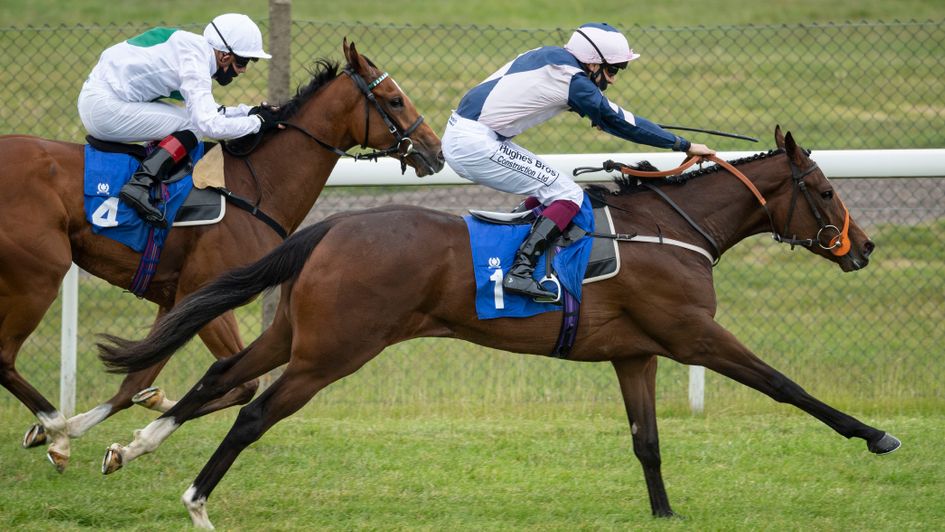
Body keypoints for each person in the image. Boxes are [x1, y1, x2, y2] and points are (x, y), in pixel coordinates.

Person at [442, 22, 716, 300]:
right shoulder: (572, 80)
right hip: (475, 144)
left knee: (553, 189)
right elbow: (619, 120)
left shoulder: (553, 57)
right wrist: (683, 145)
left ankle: (517, 240)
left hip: (472, 135)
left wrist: (598, 114)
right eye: (613, 70)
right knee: (568, 194)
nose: (613, 80)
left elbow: (571, 102)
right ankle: (520, 271)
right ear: (593, 63)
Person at [78, 13, 280, 227]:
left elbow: (210, 111)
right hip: (104, 107)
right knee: (191, 126)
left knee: (189, 121)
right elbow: (208, 124)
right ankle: (140, 184)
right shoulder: (194, 62)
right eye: (242, 61)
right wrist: (258, 123)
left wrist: (250, 112)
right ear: (223, 56)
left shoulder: (194, 53)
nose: (243, 70)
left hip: (106, 98)